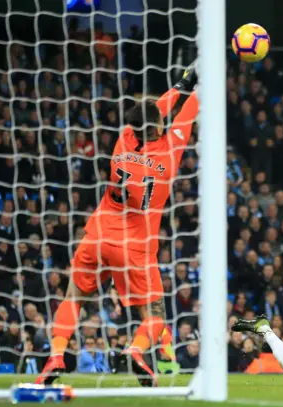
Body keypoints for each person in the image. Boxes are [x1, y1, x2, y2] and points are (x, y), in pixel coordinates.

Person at [36, 62, 199, 387]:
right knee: (154, 315)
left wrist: (181, 82)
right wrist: (196, 82)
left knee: (73, 298)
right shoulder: (170, 150)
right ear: (156, 128)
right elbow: (188, 111)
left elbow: (155, 111)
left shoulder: (123, 140)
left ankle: (56, 355)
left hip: (97, 236)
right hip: (136, 248)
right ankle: (137, 352)